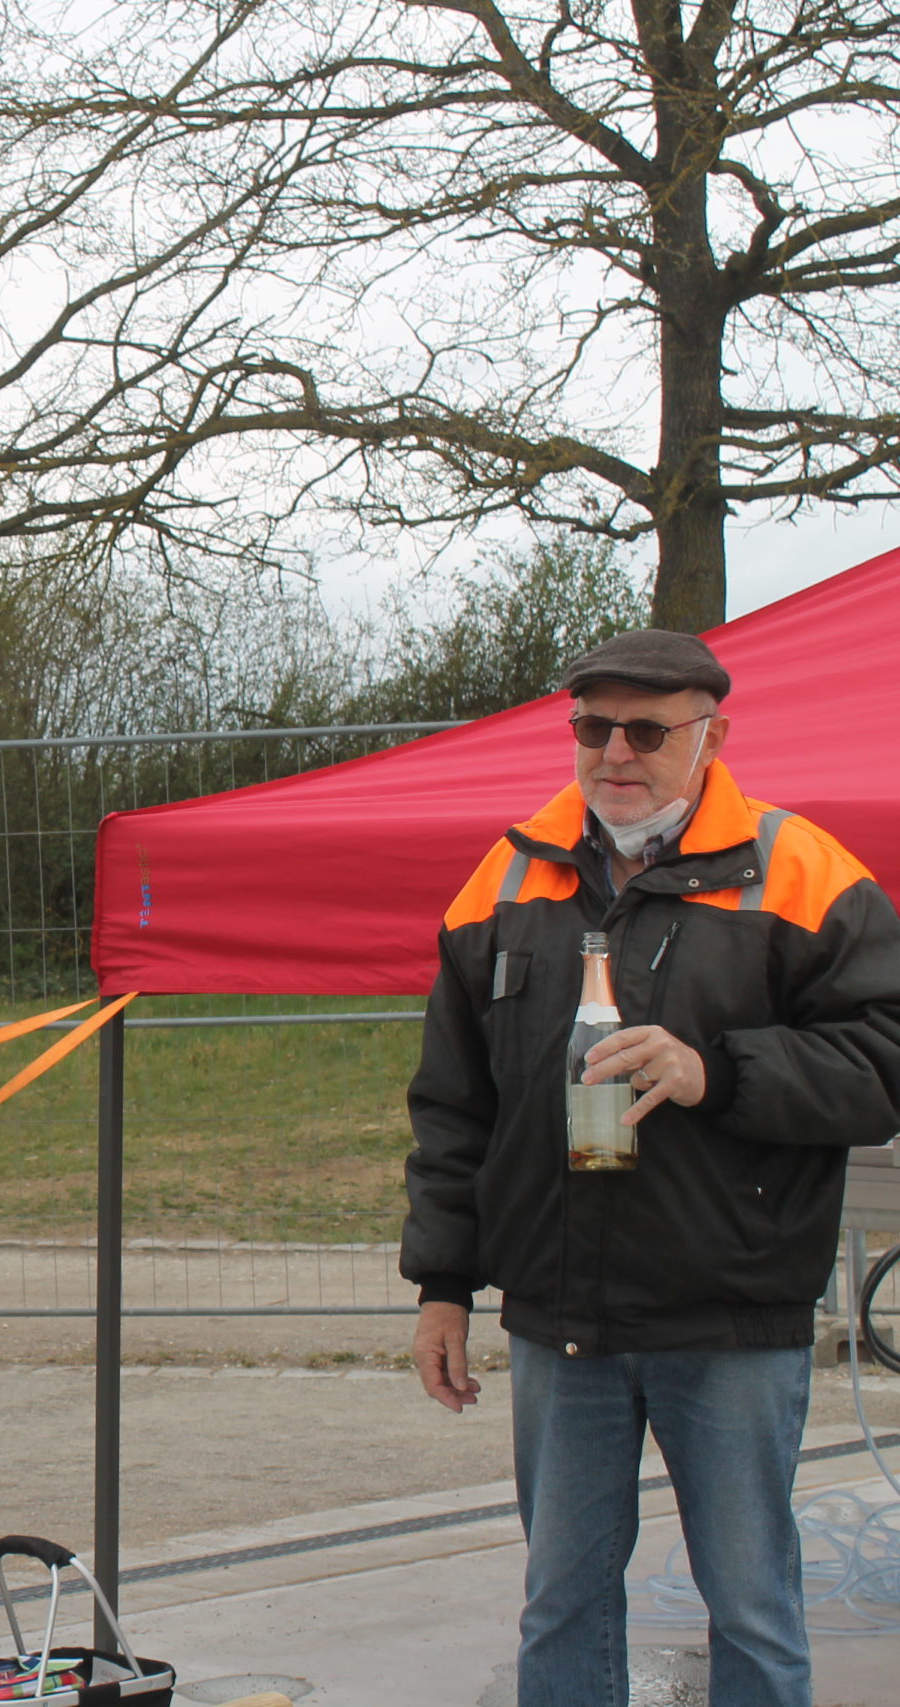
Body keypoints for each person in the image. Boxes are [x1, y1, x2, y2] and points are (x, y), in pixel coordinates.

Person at [403, 628, 900, 1707]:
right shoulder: (506, 876)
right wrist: (443, 1284)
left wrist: (714, 1072)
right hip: (559, 1318)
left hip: (728, 1316)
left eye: (645, 730)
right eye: (593, 727)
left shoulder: (802, 871)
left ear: (712, 737)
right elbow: (454, 1104)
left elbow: (883, 1060)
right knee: (560, 1604)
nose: (614, 752)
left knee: (751, 1605)